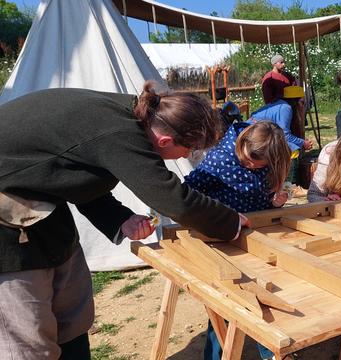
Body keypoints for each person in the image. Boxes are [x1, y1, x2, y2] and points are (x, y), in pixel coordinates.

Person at [0, 82, 249, 359]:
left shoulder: (127, 116)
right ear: (166, 141)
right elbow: (173, 199)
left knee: (72, 318)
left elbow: (71, 170)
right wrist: (231, 222)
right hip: (7, 228)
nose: (187, 157)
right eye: (189, 150)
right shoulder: (120, 130)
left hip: (44, 211)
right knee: (28, 339)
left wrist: (121, 219)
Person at [185, 121, 290, 360]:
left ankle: (271, 351)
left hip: (256, 237)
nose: (251, 166)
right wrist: (218, 217)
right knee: (226, 304)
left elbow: (264, 193)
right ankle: (216, 355)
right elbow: (187, 194)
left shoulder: (272, 162)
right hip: (221, 239)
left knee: (266, 296)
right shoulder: (220, 160)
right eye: (247, 161)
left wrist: (274, 202)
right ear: (242, 144)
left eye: (257, 164)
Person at [250, 85, 313, 183]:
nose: (302, 105)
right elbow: (285, 135)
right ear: (296, 100)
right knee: (292, 151)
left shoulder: (282, 104)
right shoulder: (286, 108)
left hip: (257, 132)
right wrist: (302, 143)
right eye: (301, 102)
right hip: (255, 134)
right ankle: (288, 184)